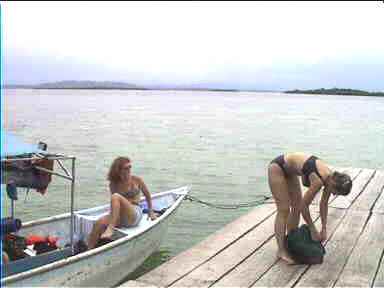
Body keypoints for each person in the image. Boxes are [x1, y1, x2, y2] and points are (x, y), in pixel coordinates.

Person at [268, 152, 352, 264]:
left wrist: (323, 228)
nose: (333, 195)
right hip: (277, 167)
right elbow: (304, 206)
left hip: (290, 171)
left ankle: (291, 240)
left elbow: (323, 204)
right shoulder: (319, 180)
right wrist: (312, 229)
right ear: (333, 183)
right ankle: (281, 250)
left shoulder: (330, 179)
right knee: (283, 209)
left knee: (296, 206)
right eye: (336, 192)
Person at [87, 157, 157, 249]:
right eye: (126, 168)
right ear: (118, 170)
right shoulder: (113, 184)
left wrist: (151, 212)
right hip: (120, 215)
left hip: (134, 214)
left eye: (130, 167)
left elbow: (147, 195)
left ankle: (111, 228)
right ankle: (89, 250)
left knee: (116, 196)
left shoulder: (137, 180)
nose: (129, 170)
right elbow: (116, 204)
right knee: (98, 223)